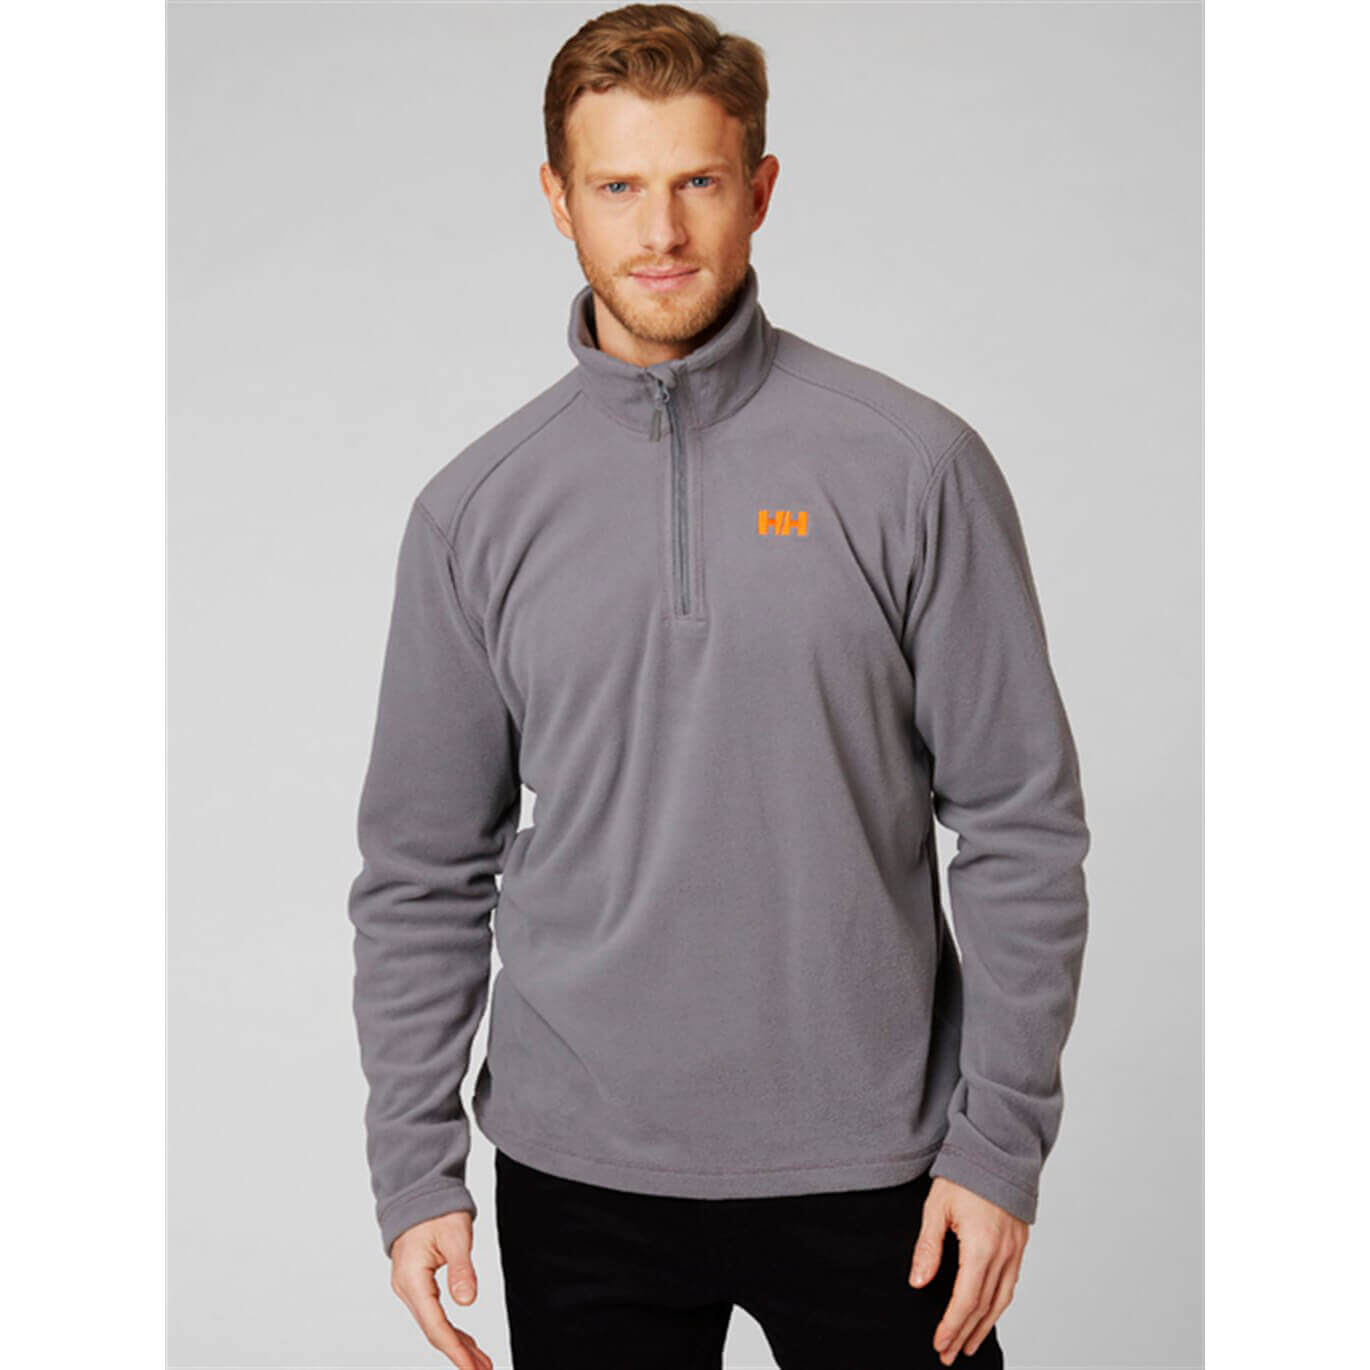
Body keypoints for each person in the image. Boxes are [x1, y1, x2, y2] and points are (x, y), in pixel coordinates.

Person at [346, 5, 1091, 1368]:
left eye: (697, 180)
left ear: (759, 189)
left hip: (880, 1165)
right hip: (580, 1171)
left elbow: (1021, 825)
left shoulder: (912, 466)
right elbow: (419, 867)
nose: (661, 231)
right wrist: (415, 1169)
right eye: (617, 187)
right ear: (556, 199)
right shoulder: (475, 513)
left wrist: (998, 1147)